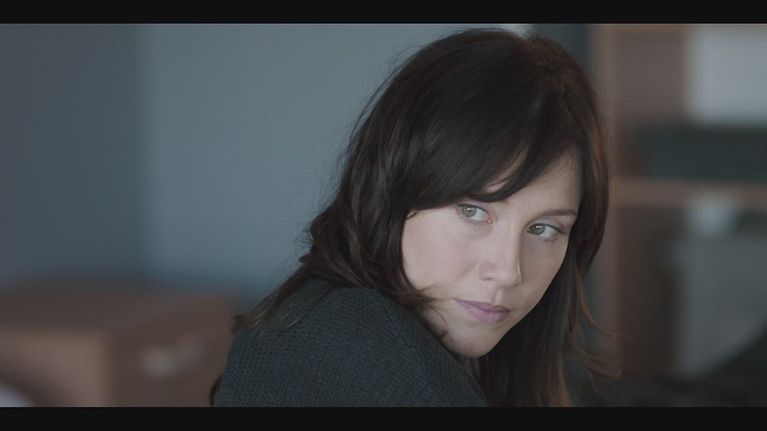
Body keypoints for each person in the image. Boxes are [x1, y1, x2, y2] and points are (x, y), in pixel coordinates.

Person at [211, 27, 614, 407]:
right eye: (473, 211)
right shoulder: (356, 352)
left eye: (544, 229)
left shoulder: (325, 317)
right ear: (394, 191)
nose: (508, 271)